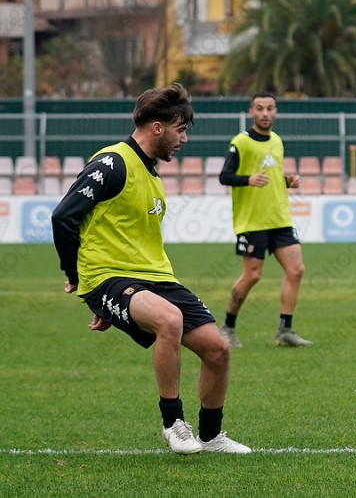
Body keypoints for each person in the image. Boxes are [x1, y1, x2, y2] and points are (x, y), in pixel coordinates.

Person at [51, 83, 251, 455]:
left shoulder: (152, 175)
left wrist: (118, 309)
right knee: (169, 320)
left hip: (156, 277)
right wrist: (78, 278)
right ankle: (173, 423)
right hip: (107, 276)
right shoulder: (112, 162)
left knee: (218, 349)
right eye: (180, 130)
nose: (184, 139)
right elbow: (63, 217)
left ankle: (211, 437)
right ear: (157, 127)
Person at [218, 92, 312, 348]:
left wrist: (287, 182)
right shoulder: (241, 142)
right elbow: (224, 176)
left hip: (279, 219)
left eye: (270, 108)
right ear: (251, 112)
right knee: (253, 275)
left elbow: (272, 176)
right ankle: (227, 327)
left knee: (296, 270)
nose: (265, 113)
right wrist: (248, 179)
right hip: (253, 222)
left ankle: (285, 330)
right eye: (259, 108)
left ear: (276, 112)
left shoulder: (277, 141)